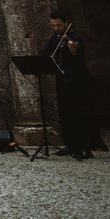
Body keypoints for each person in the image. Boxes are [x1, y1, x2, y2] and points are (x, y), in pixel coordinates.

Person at [41, 10, 95, 161]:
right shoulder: (56, 37)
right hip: (63, 79)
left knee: (78, 114)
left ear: (65, 23)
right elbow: (45, 52)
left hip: (77, 80)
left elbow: (77, 55)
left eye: (59, 25)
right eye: (53, 26)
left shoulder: (75, 37)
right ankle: (71, 145)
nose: (56, 28)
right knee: (65, 113)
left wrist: (73, 49)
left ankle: (83, 147)